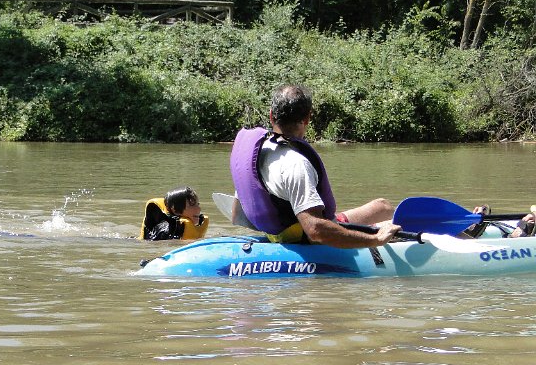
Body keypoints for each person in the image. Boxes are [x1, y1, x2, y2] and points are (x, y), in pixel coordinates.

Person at [230, 84, 400, 248]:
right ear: (307, 118)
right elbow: (316, 230)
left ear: (271, 115)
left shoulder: (258, 151)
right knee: (386, 215)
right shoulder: (295, 164)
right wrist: (375, 239)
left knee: (382, 207)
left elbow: (237, 215)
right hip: (307, 240)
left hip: (281, 232)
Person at [139, 186, 209, 241]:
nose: (199, 209)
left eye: (198, 204)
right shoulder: (165, 231)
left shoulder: (185, 225)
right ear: (175, 210)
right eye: (192, 205)